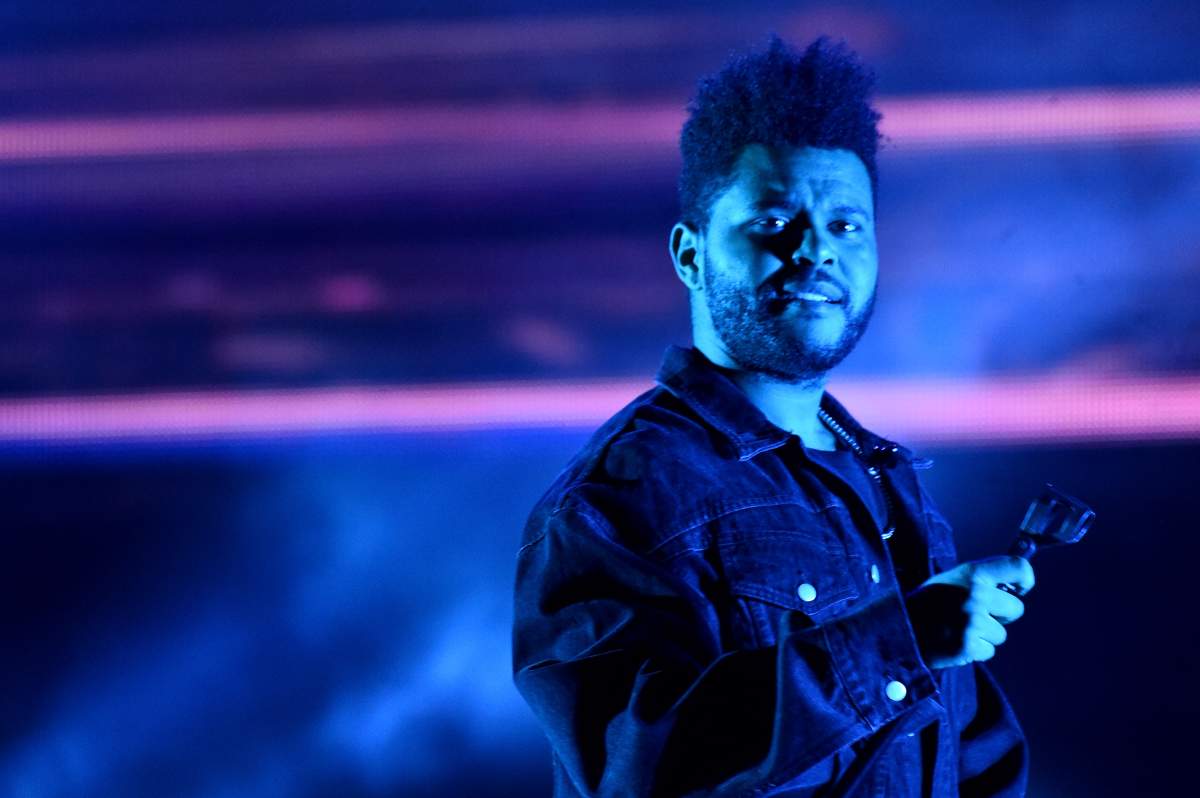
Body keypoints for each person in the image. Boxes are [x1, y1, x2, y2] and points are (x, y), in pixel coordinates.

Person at [512, 35, 1035, 797]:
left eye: (846, 227)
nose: (815, 252)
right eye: (771, 223)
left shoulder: (881, 481)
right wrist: (896, 644)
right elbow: (637, 769)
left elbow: (971, 754)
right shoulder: (617, 501)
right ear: (691, 256)